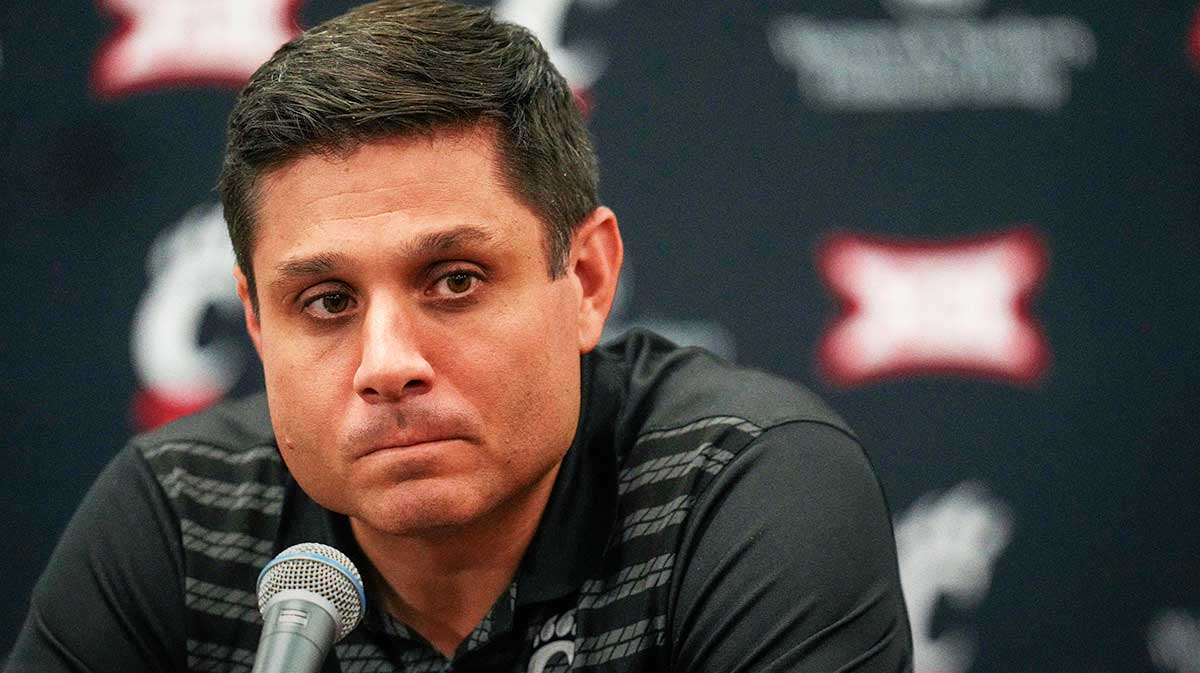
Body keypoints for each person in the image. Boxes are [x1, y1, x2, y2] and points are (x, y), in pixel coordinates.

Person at [7, 1, 912, 671]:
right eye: (326, 300)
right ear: (255, 319)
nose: (387, 364)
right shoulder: (179, 515)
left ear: (588, 279)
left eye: (454, 281)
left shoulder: (741, 485)